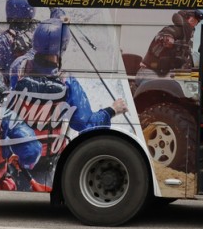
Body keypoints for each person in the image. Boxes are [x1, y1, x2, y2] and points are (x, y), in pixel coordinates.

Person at [7, 19, 128, 163]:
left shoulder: (18, 68)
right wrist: (112, 110)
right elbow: (85, 126)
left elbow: (33, 54)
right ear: (63, 47)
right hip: (49, 160)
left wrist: (56, 26)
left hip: (17, 156)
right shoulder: (67, 82)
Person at [140, 9, 203, 77]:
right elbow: (165, 34)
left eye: (196, 23)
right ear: (184, 19)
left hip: (165, 74)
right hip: (149, 72)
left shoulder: (187, 41)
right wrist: (167, 38)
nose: (193, 25)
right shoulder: (175, 29)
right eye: (192, 21)